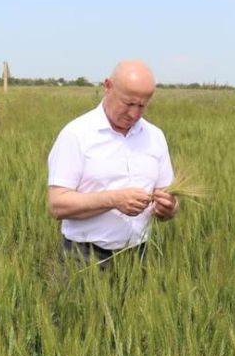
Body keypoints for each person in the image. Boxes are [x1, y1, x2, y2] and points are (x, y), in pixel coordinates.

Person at [47, 60, 177, 267]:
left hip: (139, 256)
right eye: (128, 103)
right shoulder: (76, 135)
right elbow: (57, 204)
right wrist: (114, 200)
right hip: (84, 258)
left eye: (141, 106)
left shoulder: (155, 137)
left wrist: (168, 208)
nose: (134, 114)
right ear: (108, 86)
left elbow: (167, 194)